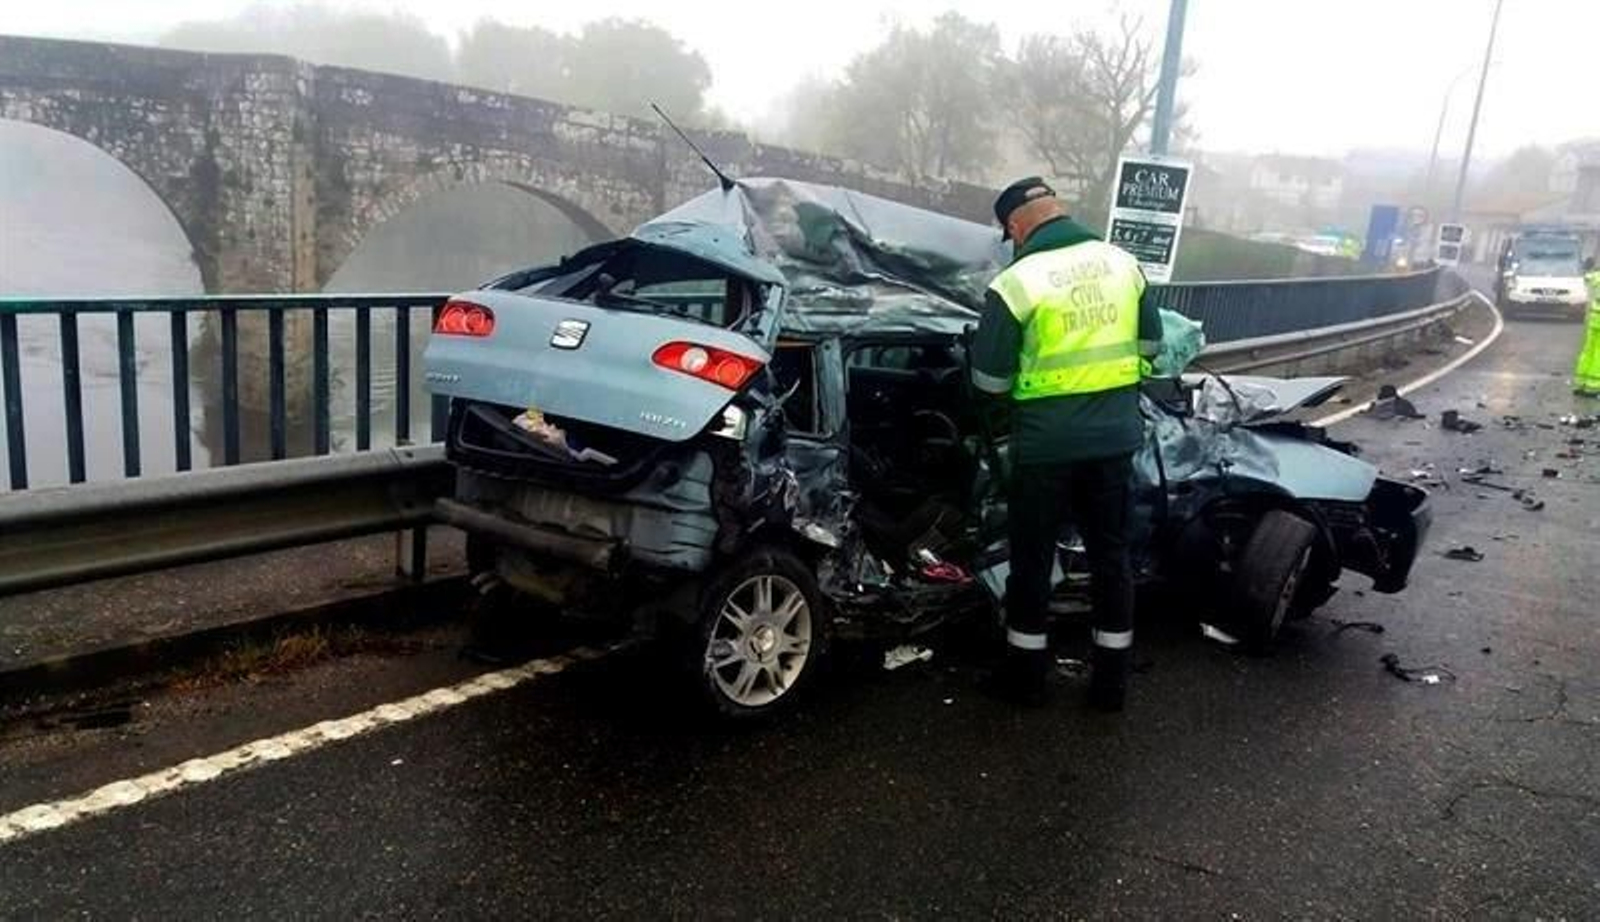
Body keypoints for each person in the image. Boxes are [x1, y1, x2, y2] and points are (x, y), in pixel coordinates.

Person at [970, 178, 1162, 711]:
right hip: (1114, 443)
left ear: (1014, 226)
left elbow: (988, 381)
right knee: (1111, 559)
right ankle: (1110, 686)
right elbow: (1151, 345)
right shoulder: (1124, 264)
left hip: (1045, 448)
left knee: (1031, 561)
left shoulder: (1017, 282)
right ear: (1058, 210)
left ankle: (1026, 682)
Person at [1577, 257, 1600, 397]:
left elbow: (1586, 276)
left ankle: (1580, 382)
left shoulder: (1595, 277)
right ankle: (1594, 386)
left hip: (1593, 319)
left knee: (1588, 351)